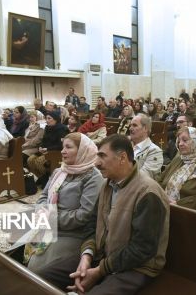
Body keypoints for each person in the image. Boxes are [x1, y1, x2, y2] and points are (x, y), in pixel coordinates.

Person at [37, 134, 169, 294]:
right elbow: (92, 226)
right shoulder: (108, 184)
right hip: (102, 256)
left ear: (122, 158)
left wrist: (100, 270)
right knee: (40, 278)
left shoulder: (147, 192)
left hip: (136, 267)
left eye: (102, 156)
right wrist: (86, 257)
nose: (96, 162)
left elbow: (142, 249)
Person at [27, 133, 104, 273]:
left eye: (68, 147)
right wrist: (41, 211)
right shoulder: (60, 171)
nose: (62, 151)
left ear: (82, 151)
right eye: (63, 147)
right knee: (22, 257)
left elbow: (84, 215)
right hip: (49, 225)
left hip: (72, 234)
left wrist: (51, 218)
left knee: (37, 270)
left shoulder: (93, 177)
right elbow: (43, 196)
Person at [157, 126, 196, 213]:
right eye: (179, 141)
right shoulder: (180, 158)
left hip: (192, 214)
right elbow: (160, 179)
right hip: (166, 206)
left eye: (185, 140)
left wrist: (178, 204)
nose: (180, 144)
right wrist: (160, 195)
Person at [27, 111, 69, 187]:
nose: (47, 120)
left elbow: (61, 145)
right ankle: (41, 177)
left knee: (39, 162)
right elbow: (43, 140)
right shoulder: (47, 127)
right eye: (46, 118)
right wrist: (41, 147)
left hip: (56, 152)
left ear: (56, 119)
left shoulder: (62, 128)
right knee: (30, 160)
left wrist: (47, 149)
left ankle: (46, 181)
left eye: (49, 118)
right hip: (46, 151)